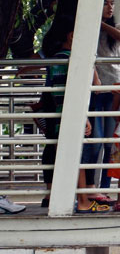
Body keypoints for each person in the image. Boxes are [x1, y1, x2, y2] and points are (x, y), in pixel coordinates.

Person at [40, 14, 110, 213]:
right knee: (78, 156)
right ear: (72, 36)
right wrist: (83, 117)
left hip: (58, 116)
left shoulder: (56, 59)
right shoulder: (72, 60)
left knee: (69, 155)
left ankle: (75, 199)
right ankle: (82, 201)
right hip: (70, 114)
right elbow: (85, 89)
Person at [91, 0, 120, 210]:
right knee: (96, 140)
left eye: (112, 3)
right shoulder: (90, 29)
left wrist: (98, 22)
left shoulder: (119, 27)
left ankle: (105, 187)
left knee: (110, 139)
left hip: (116, 85)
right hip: (98, 88)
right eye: (105, 3)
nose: (110, 7)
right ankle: (94, 187)